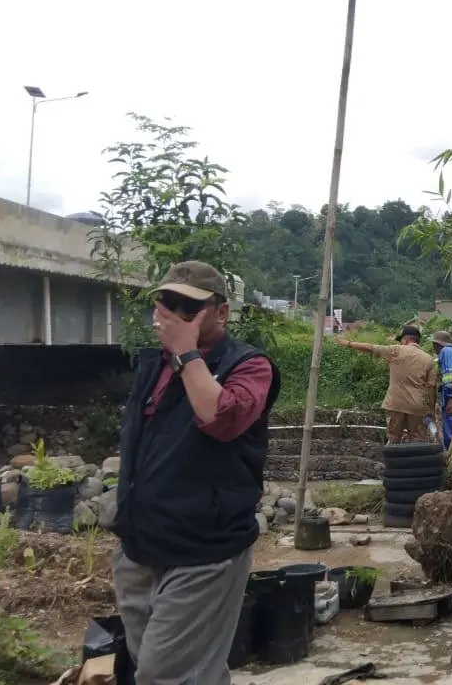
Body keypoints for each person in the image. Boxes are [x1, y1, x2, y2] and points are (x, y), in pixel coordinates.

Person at [111, 260, 281, 685]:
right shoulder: (155, 365)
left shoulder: (249, 366)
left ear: (220, 312)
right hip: (141, 545)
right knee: (171, 667)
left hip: (204, 548)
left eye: (189, 307)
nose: (173, 314)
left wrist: (187, 352)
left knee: (164, 673)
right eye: (167, 303)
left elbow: (221, 418)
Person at [335, 325, 437, 443]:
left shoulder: (395, 350)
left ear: (405, 340)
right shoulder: (428, 359)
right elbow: (431, 387)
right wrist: (431, 410)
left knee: (394, 438)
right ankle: (415, 461)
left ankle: (393, 460)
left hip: (395, 404)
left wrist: (348, 343)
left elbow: (370, 348)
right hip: (416, 406)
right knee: (417, 439)